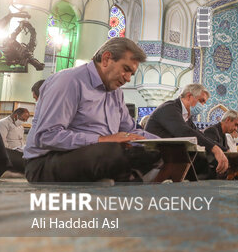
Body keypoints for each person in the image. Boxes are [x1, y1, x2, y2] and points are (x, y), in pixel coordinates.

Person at [23, 38, 161, 182]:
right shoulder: (69, 81)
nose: (127, 79)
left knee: (157, 152)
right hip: (45, 162)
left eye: (131, 74)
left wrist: (169, 143)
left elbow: (131, 131)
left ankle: (125, 183)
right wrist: (101, 140)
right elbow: (46, 136)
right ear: (106, 58)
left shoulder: (116, 93)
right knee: (110, 152)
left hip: (95, 154)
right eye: (126, 69)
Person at [144, 84, 230, 177]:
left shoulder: (186, 117)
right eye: (201, 101)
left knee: (204, 163)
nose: (202, 106)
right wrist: (215, 149)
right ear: (189, 96)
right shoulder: (169, 108)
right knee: (202, 162)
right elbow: (184, 132)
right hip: (155, 157)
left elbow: (200, 135)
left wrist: (224, 150)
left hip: (171, 155)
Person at [201, 110, 238, 174]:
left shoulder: (224, 136)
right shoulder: (211, 131)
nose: (236, 129)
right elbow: (211, 154)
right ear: (228, 119)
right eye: (235, 124)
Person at [0, 108, 30, 173]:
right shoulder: (2, 123)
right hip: (9, 153)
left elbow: (21, 141)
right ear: (15, 116)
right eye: (23, 119)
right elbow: (1, 143)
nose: (24, 122)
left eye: (26, 120)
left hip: (19, 152)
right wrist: (14, 150)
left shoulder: (20, 126)